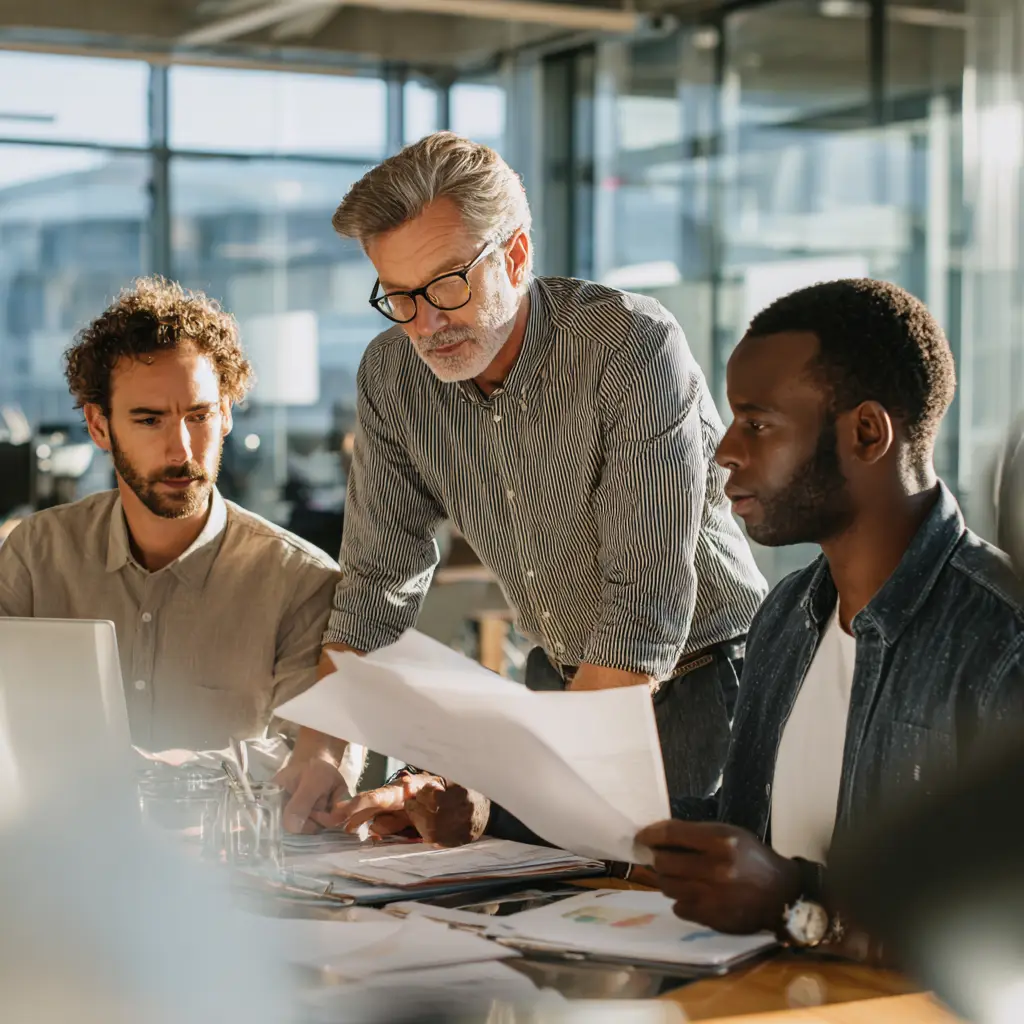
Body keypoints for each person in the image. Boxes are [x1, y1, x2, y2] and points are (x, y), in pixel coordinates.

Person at [277, 130, 767, 834]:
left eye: (448, 283)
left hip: (705, 687)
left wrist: (519, 789)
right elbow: (376, 585)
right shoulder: (391, 377)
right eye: (399, 297)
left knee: (662, 922)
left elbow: (644, 608)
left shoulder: (630, 345)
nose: (427, 323)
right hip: (558, 681)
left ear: (514, 254)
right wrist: (325, 747)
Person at [632, 279, 1024, 953]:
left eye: (757, 423)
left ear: (866, 433)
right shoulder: (786, 613)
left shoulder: (1001, 636)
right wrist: (501, 804)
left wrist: (796, 904)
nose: (726, 449)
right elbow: (743, 830)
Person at [0, 278, 352, 784]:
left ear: (226, 413)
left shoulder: (300, 582)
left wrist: (167, 774)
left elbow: (307, 764)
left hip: (226, 858)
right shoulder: (36, 556)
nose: (181, 450)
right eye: (149, 420)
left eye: (200, 415)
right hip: (54, 850)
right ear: (100, 426)